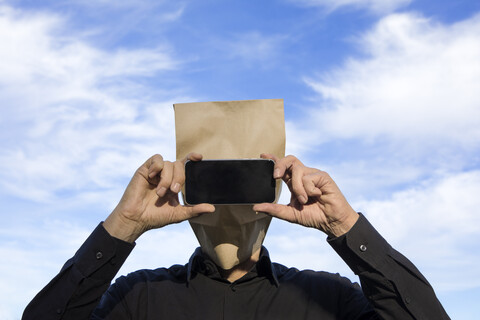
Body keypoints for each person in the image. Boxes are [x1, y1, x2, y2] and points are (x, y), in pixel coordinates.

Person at [23, 152, 450, 319]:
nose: (229, 208)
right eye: (212, 189)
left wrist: (345, 227)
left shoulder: (329, 299)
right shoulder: (140, 297)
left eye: (243, 186)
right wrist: (123, 226)